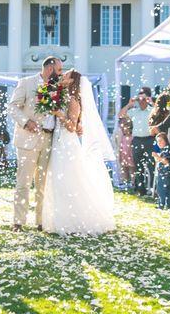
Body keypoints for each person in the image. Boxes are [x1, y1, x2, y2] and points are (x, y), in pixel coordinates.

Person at [42, 70, 115, 235]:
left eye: (66, 75)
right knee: (57, 181)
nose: (62, 76)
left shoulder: (74, 101)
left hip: (67, 145)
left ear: (72, 81)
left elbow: (72, 127)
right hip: (58, 143)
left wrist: (59, 114)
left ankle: (74, 220)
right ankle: (58, 219)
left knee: (69, 180)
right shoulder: (62, 96)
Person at [9, 56, 62, 231]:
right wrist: (26, 122)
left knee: (43, 182)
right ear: (49, 69)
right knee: (23, 182)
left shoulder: (58, 87)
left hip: (49, 139)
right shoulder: (26, 83)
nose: (60, 73)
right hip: (28, 138)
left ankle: (41, 221)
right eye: (59, 70)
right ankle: (19, 221)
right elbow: (13, 107)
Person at [118, 87, 154, 195]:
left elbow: (160, 113)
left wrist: (151, 102)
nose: (141, 101)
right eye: (140, 98)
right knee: (138, 166)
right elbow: (120, 115)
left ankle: (152, 189)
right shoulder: (134, 111)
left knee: (151, 165)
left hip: (149, 140)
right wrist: (129, 104)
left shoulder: (152, 110)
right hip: (137, 140)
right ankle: (140, 189)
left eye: (144, 98)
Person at [113, 117, 135, 188]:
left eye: (127, 129)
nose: (125, 131)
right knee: (124, 169)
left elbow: (131, 147)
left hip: (130, 155)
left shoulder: (132, 137)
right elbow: (120, 147)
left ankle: (132, 182)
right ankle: (125, 182)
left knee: (131, 169)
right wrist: (119, 155)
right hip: (123, 155)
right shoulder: (122, 137)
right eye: (124, 129)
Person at [153, 132, 170, 210]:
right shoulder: (163, 150)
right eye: (158, 141)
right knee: (163, 190)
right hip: (163, 173)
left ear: (165, 140)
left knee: (162, 190)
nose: (159, 143)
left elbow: (166, 162)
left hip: (166, 174)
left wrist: (157, 157)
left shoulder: (167, 149)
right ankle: (167, 206)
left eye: (161, 141)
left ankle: (162, 205)